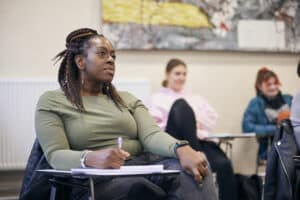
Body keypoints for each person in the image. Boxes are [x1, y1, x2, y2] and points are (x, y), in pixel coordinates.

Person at [35, 28, 217, 200]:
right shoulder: (53, 101)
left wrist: (182, 149)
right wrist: (89, 157)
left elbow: (152, 135)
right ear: (80, 61)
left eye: (113, 56)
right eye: (102, 53)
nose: (111, 60)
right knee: (141, 189)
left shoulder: (127, 99)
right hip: (95, 178)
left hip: (142, 165)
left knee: (197, 166)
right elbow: (55, 155)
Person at [149, 58, 237, 200]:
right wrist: (182, 119)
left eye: (184, 74)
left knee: (224, 165)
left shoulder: (195, 98)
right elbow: (153, 127)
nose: (181, 77)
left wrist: (194, 120)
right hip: (173, 141)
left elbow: (212, 119)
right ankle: (196, 155)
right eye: (177, 73)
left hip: (197, 140)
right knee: (181, 106)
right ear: (167, 75)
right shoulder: (157, 98)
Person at [242, 67, 292, 164]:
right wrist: (276, 129)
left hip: (292, 147)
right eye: (269, 84)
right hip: (269, 150)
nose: (273, 87)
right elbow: (247, 127)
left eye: (275, 83)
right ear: (260, 86)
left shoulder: (289, 99)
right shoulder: (256, 103)